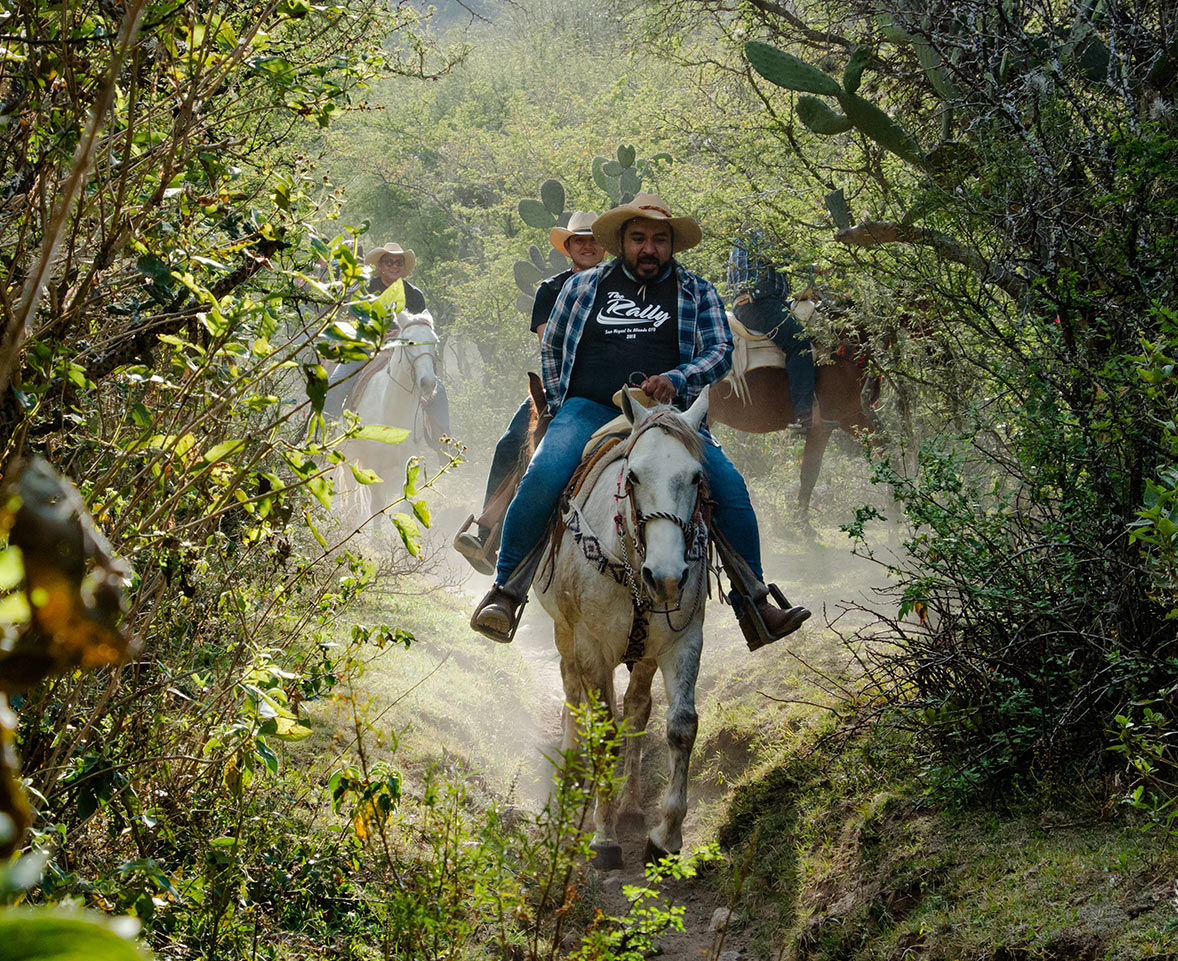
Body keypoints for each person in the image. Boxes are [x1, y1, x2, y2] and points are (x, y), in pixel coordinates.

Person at [470, 192, 810, 649]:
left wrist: (678, 376)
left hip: (667, 415)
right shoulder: (583, 287)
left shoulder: (696, 291)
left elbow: (719, 351)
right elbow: (552, 347)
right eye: (639, 238)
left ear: (671, 244)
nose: (649, 248)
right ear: (622, 242)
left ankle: (755, 601)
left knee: (728, 486)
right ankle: (506, 591)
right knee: (543, 474)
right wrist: (558, 401)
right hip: (589, 406)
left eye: (658, 239)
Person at [454, 211, 605, 574]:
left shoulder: (620, 287)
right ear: (568, 247)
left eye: (593, 239)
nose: (587, 246)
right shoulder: (551, 289)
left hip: (612, 385)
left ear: (605, 247)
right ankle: (490, 530)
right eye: (579, 240)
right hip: (560, 383)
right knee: (511, 442)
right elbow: (547, 341)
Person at [323, 243, 448, 435]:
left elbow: (422, 326)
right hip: (367, 347)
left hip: (404, 350)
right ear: (380, 266)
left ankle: (443, 443)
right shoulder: (366, 289)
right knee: (337, 382)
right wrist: (377, 333)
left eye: (398, 262)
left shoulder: (414, 295)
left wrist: (400, 334)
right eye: (389, 262)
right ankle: (324, 434)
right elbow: (353, 322)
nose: (394, 266)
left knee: (436, 390)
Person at [728, 230, 815, 430]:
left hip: (767, 302)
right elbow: (788, 262)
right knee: (798, 343)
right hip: (757, 304)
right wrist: (814, 268)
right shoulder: (758, 235)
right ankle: (804, 414)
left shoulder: (753, 235)